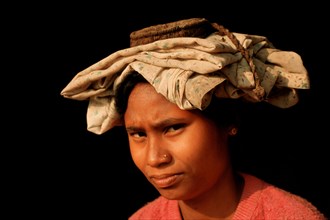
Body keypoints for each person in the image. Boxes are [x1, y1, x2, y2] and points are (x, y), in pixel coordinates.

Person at [61, 18, 326, 219]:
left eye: (173, 128)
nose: (155, 158)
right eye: (138, 134)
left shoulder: (289, 215)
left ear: (228, 122)